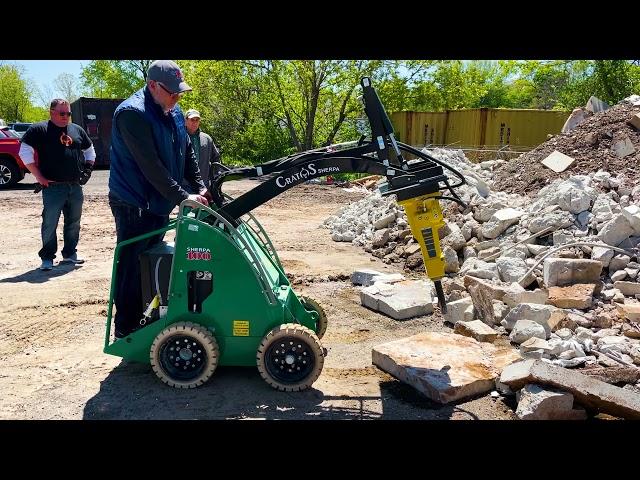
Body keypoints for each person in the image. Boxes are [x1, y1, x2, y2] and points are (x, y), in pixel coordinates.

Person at [108, 60, 212, 339]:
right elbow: (151, 167)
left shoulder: (173, 110)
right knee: (132, 265)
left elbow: (187, 151)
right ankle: (126, 328)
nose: (177, 98)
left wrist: (200, 187)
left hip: (159, 201)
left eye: (180, 93)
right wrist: (183, 197)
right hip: (135, 203)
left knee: (153, 261)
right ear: (153, 85)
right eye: (173, 92)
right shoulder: (132, 114)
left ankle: (150, 318)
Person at [19, 99, 95, 271]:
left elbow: (89, 149)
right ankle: (47, 258)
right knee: (50, 223)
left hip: (75, 187)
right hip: (53, 187)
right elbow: (24, 152)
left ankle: (69, 254)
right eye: (62, 113)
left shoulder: (76, 130)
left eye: (68, 113)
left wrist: (88, 168)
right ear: (51, 112)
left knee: (74, 222)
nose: (66, 116)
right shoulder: (39, 130)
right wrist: (39, 176)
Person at [184, 109, 221, 191]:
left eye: (197, 120)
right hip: (184, 184)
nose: (195, 122)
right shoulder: (179, 138)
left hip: (204, 184)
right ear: (185, 121)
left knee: (203, 204)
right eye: (192, 120)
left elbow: (216, 158)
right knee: (188, 204)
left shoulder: (207, 139)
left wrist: (215, 176)